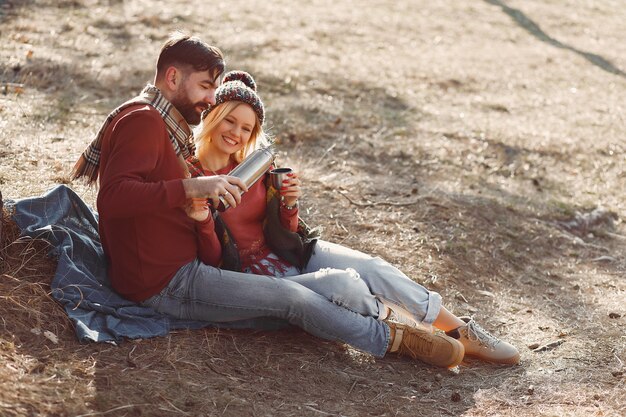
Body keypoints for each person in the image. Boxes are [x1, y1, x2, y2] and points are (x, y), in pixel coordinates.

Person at [185, 70, 521, 366]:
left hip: (290, 256)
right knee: (345, 284)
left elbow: (287, 234)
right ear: (213, 116)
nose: (237, 134)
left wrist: (289, 204)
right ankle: (414, 334)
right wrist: (202, 219)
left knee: (374, 267)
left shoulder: (255, 166)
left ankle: (459, 330)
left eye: (247, 127)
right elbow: (212, 261)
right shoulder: (192, 176)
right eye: (230, 120)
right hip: (255, 281)